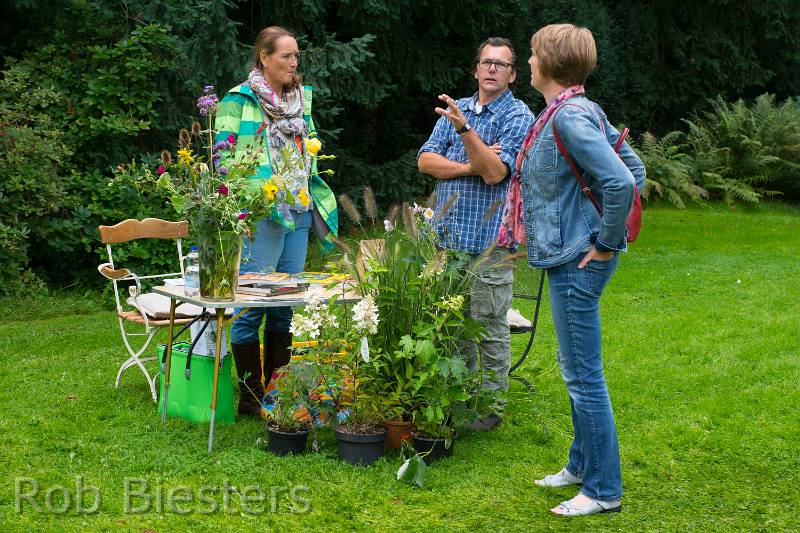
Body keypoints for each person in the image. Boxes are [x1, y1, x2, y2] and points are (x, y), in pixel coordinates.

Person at [511, 24, 645, 515]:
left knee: (583, 375)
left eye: (532, 54)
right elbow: (636, 170)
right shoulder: (577, 109)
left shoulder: (569, 117)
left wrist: (605, 243)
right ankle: (581, 464)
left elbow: (622, 181)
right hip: (570, 252)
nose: (528, 62)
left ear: (549, 62)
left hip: (578, 259)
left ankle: (603, 489)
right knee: (576, 369)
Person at [215, 26, 338, 417]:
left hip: (298, 212)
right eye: (286, 55)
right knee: (250, 306)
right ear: (264, 57)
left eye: (296, 55)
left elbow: (310, 148)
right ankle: (251, 397)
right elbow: (222, 160)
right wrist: (257, 194)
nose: (294, 62)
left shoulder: (300, 100)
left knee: (285, 305)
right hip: (261, 216)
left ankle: (277, 395)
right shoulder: (237, 100)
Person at [417, 37, 534, 431]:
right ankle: (459, 397)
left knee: (489, 325)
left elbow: (496, 173)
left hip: (490, 242)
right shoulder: (457, 109)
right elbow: (425, 161)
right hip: (446, 237)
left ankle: (490, 408)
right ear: (476, 69)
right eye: (486, 62)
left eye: (501, 64)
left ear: (513, 75)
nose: (492, 68)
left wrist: (465, 133)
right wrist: (472, 164)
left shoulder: (517, 115)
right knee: (453, 324)